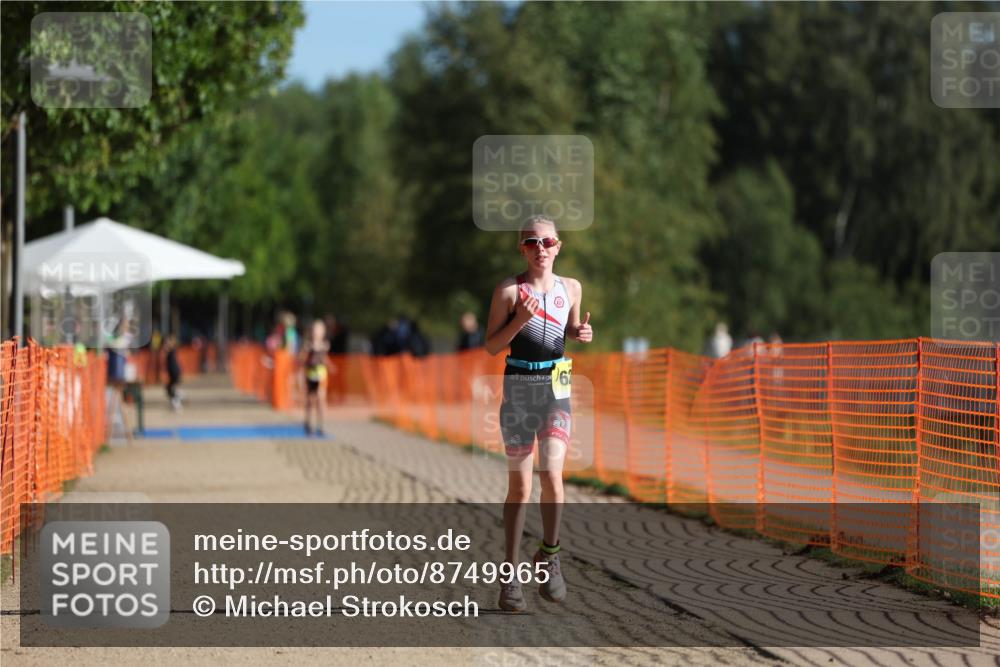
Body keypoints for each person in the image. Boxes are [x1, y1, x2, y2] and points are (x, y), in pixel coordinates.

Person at [484, 215, 593, 612]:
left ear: (559, 246)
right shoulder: (509, 291)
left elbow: (568, 330)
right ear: (522, 249)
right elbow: (493, 346)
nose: (540, 249)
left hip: (556, 389)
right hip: (518, 390)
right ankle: (510, 574)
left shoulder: (572, 288)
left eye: (547, 242)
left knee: (551, 474)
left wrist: (580, 334)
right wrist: (520, 320)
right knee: (521, 488)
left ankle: (550, 556)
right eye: (531, 243)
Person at [301, 319, 331, 435]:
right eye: (314, 329)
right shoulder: (307, 345)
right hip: (310, 375)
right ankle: (308, 422)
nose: (316, 332)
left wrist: (330, 365)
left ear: (323, 332)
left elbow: (325, 359)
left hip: (321, 375)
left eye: (319, 330)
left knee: (321, 399)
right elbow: (302, 360)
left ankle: (321, 424)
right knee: (310, 400)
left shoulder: (325, 345)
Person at [164, 335, 183, 412]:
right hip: (173, 372)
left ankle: (177, 402)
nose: (166, 343)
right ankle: (178, 399)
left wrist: (169, 344)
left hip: (175, 372)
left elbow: (171, 346)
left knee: (171, 388)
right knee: (170, 388)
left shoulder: (172, 350)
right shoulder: (170, 350)